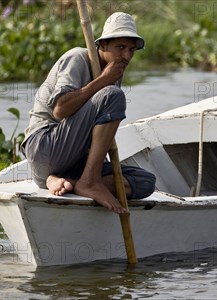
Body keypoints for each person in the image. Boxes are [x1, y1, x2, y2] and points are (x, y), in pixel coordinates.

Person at [21, 12, 156, 214]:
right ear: (102, 46)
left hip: (70, 162)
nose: (127, 56)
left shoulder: (113, 70)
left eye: (131, 50)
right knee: (113, 95)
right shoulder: (77, 58)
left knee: (145, 182)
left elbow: (95, 131)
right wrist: (103, 80)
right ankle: (89, 181)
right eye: (120, 47)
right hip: (45, 147)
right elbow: (59, 110)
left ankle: (68, 182)